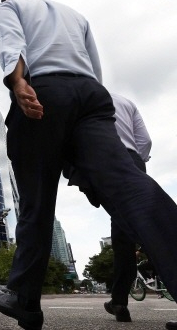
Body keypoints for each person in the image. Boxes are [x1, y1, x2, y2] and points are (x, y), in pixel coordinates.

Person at [0, 0, 177, 330]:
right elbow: (95, 70)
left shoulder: (8, 7)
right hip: (91, 97)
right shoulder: (75, 15)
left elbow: (11, 44)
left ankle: (25, 300)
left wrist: (18, 82)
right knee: (130, 186)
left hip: (44, 91)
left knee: (36, 202)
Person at [65, 93, 152, 322]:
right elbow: (145, 141)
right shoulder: (126, 101)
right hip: (133, 161)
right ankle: (118, 300)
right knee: (149, 228)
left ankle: (120, 301)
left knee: (123, 236)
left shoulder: (81, 98)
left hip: (101, 160)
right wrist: (135, 162)